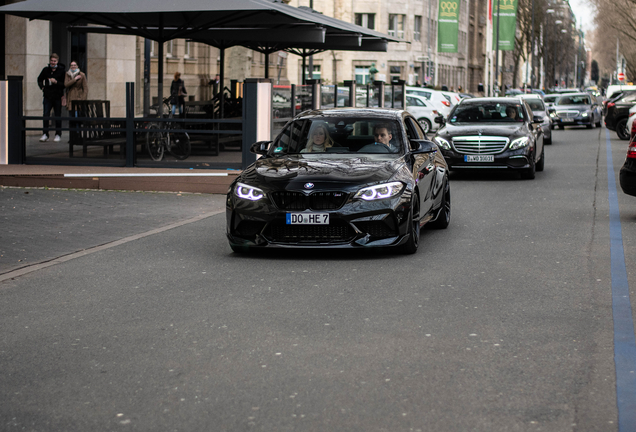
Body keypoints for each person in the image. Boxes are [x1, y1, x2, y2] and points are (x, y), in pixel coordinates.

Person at [37, 53, 66, 142]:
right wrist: (42, 87)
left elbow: (64, 84)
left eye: (54, 61)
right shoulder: (46, 70)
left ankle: (58, 134)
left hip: (57, 96)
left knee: (57, 115)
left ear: (57, 61)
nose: (53, 62)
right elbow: (39, 79)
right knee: (46, 115)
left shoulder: (61, 71)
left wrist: (56, 82)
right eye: (52, 61)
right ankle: (45, 134)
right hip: (47, 96)